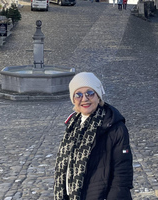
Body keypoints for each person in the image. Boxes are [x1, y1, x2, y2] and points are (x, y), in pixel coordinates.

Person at [54, 72, 133, 200]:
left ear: (98, 96)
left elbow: (122, 175)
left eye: (90, 93)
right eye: (78, 94)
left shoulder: (114, 127)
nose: (84, 99)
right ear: (73, 99)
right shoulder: (73, 125)